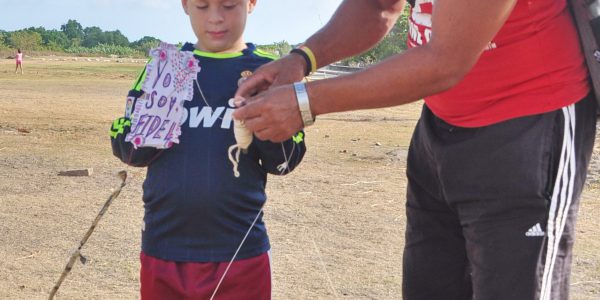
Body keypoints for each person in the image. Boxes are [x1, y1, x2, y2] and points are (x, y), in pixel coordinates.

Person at [233, 0, 597, 299]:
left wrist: (305, 101)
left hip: (526, 125)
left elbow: (447, 60)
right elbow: (378, 6)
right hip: (440, 125)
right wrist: (302, 60)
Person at [110, 0, 306, 298]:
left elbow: (285, 162)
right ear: (185, 5)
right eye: (202, 6)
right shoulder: (165, 66)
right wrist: (157, 116)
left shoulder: (269, 71)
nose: (215, 18)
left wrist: (262, 111)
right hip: (163, 251)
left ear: (251, 3)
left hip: (242, 255)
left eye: (228, 5)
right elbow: (130, 151)